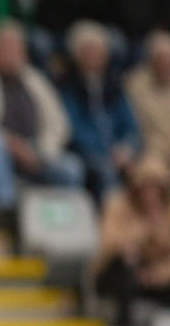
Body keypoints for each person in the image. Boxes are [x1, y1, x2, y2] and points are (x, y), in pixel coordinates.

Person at [0, 21, 86, 220]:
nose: (10, 54)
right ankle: (6, 212)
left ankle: (60, 223)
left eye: (15, 49)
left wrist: (39, 150)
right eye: (4, 48)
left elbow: (59, 125)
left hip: (34, 152)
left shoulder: (35, 79)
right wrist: (9, 143)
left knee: (72, 167)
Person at [58, 19, 141, 199]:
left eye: (97, 51)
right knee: (105, 171)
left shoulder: (115, 85)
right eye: (87, 52)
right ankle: (111, 216)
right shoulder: (67, 86)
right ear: (76, 55)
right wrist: (107, 152)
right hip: (87, 154)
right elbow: (74, 130)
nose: (93, 56)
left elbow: (131, 125)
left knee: (149, 171)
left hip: (120, 153)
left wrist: (127, 149)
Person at [94, 151, 170, 325]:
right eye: (146, 189)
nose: (150, 196)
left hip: (155, 276)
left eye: (155, 190)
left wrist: (156, 275)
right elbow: (108, 244)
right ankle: (124, 325)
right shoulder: (117, 205)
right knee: (126, 261)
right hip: (117, 275)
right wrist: (143, 228)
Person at [125, 28, 170, 160]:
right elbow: (138, 126)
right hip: (149, 149)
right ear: (150, 59)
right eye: (160, 58)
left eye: (168, 59)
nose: (165, 63)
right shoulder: (134, 83)